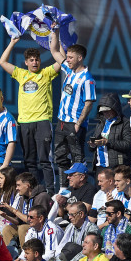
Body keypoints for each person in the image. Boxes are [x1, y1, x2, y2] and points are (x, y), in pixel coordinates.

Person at [0, 36, 59, 194]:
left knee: (45, 160)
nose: (34, 62)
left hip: (43, 122)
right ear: (26, 62)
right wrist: (12, 42)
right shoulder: (21, 74)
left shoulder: (46, 73)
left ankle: (51, 192)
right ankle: (34, 192)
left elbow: (62, 62)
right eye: (31, 60)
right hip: (24, 123)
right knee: (29, 161)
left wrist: (56, 46)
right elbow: (2, 62)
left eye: (37, 60)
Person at [49, 38, 97, 188]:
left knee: (77, 158)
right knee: (60, 156)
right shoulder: (69, 71)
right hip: (61, 123)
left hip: (74, 124)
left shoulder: (87, 79)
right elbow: (54, 51)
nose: (67, 60)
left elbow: (89, 103)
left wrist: (78, 123)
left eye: (70, 57)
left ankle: (80, 189)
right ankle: (64, 188)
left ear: (79, 58)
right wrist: (55, 32)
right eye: (67, 57)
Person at [0, 172, 51, 245]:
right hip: (27, 226)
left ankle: (26, 253)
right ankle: (11, 254)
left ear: (27, 185)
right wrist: (6, 216)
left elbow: (37, 220)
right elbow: (18, 221)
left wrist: (13, 210)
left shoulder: (41, 196)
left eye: (18, 185)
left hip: (40, 227)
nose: (16, 188)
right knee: (8, 229)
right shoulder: (23, 197)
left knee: (22, 228)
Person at [88, 93, 131, 172]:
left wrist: (107, 142)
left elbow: (127, 144)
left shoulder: (125, 123)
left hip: (115, 167)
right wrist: (93, 145)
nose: (105, 113)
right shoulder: (101, 123)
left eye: (107, 111)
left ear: (115, 109)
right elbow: (92, 148)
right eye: (103, 111)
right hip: (99, 166)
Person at [0, 166, 19, 231]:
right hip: (0, 226)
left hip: (11, 228)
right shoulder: (2, 192)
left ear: (8, 179)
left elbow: (13, 213)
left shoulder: (17, 194)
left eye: (1, 178)